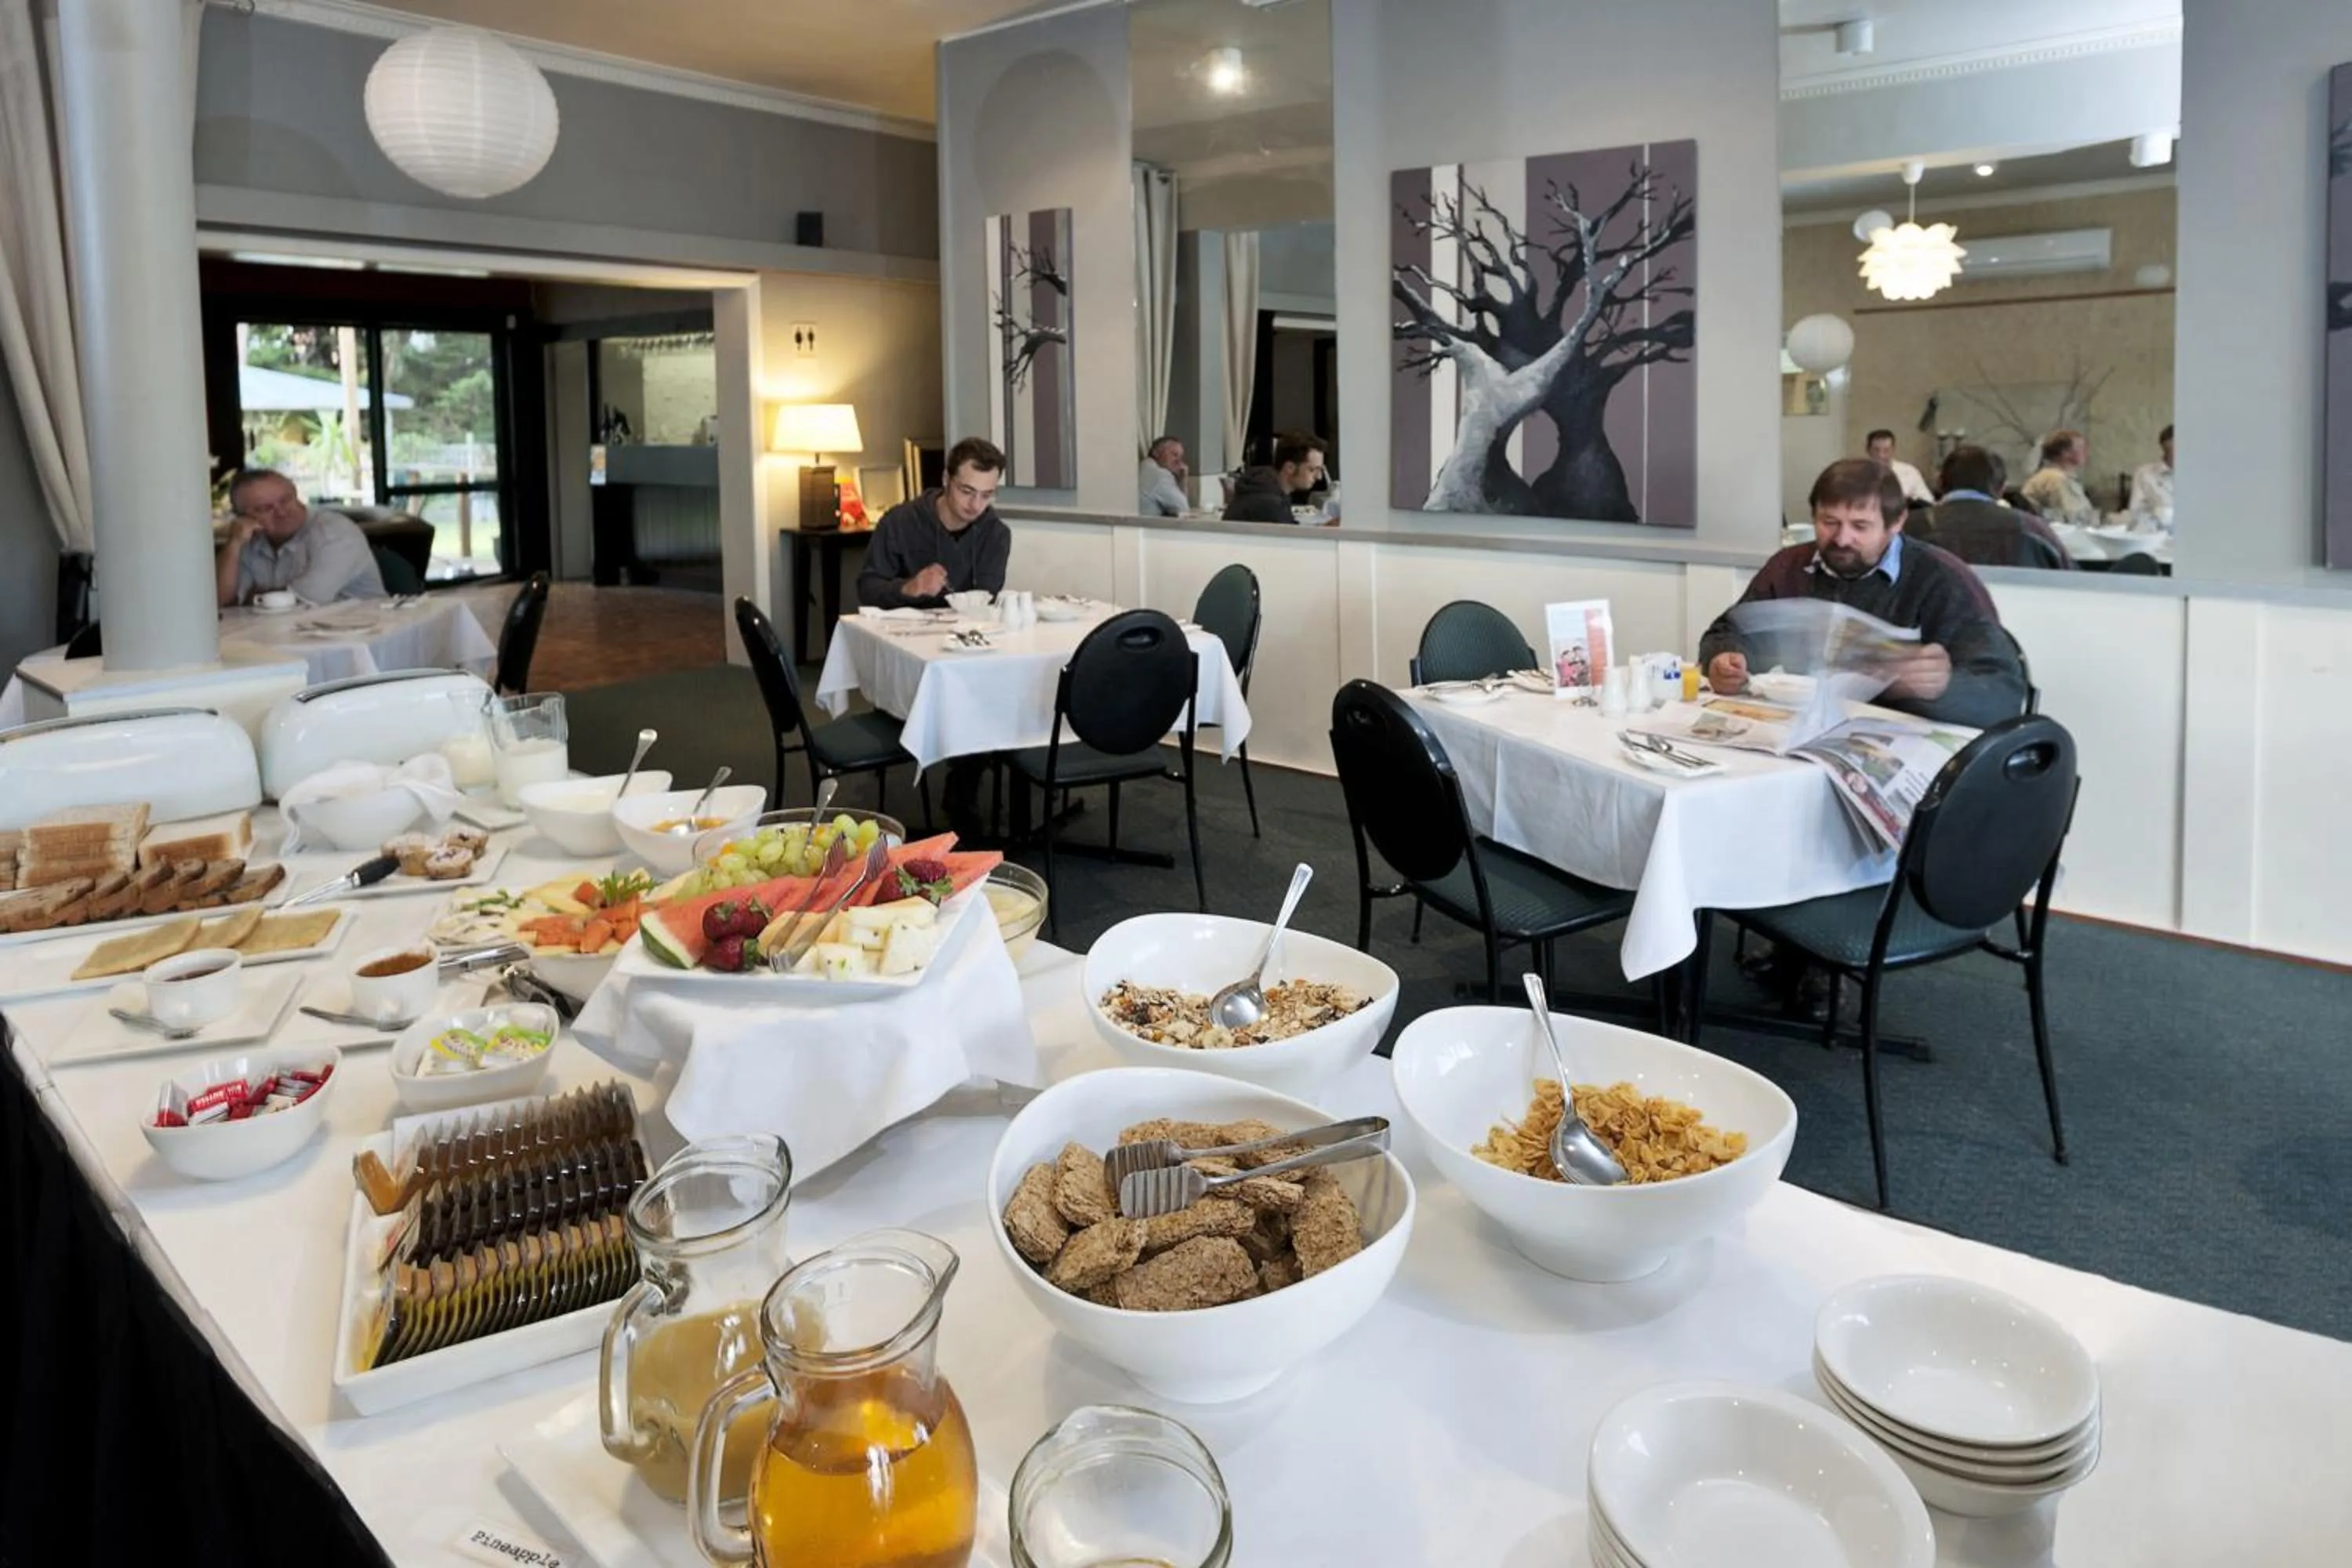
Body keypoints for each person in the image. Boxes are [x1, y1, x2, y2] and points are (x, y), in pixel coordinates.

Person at [1698, 458, 2026, 728]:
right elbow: (1730, 630)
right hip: (1805, 731)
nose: (1842, 539)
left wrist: (1944, 688)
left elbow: (2003, 695)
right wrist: (1725, 659)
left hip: (1904, 743)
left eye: (1860, 526)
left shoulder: (1941, 579)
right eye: (1829, 522)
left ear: (1897, 522)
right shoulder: (1790, 566)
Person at [856, 437, 1012, 609]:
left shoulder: (996, 534)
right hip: (902, 624)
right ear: (946, 479)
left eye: (986, 495)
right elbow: (867, 590)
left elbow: (987, 600)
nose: (976, 505)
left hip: (967, 625)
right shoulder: (899, 522)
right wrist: (909, 588)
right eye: (967, 491)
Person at [215, 468, 386, 608]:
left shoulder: (335, 531)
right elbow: (221, 602)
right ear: (242, 517)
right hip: (286, 631)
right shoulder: (249, 538)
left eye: (286, 500)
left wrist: (252, 598)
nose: (281, 512)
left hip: (365, 631)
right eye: (264, 509)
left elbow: (306, 600)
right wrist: (234, 544)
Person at [1918, 446, 2073, 571]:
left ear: (1939, 483)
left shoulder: (1910, 528)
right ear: (2002, 488)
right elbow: (2072, 582)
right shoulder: (2035, 530)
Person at [1222, 433, 1327, 524]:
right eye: (1312, 470)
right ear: (1290, 468)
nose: (1319, 477)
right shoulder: (1269, 503)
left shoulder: (1265, 488)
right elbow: (1289, 538)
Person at [2020, 429, 2096, 526]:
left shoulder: (2053, 476)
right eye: (2081, 447)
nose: (2086, 452)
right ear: (2065, 452)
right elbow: (2072, 519)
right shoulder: (2056, 479)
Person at [1864, 429, 1933, 505]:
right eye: (1876, 450)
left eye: (1886, 450)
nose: (1881, 455)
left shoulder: (1910, 472)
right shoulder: (1858, 475)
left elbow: (1928, 502)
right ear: (1868, 450)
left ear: (1893, 450)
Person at [2128, 424, 2175, 532]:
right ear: (2165, 448)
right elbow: (2135, 514)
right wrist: (2162, 514)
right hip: (2157, 535)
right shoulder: (2144, 474)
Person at [1138, 435, 1189, 517]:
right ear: (1157, 453)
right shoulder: (1160, 475)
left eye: (1181, 457)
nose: (1179, 461)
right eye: (1174, 455)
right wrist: (1183, 481)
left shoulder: (1145, 466)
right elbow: (1183, 509)